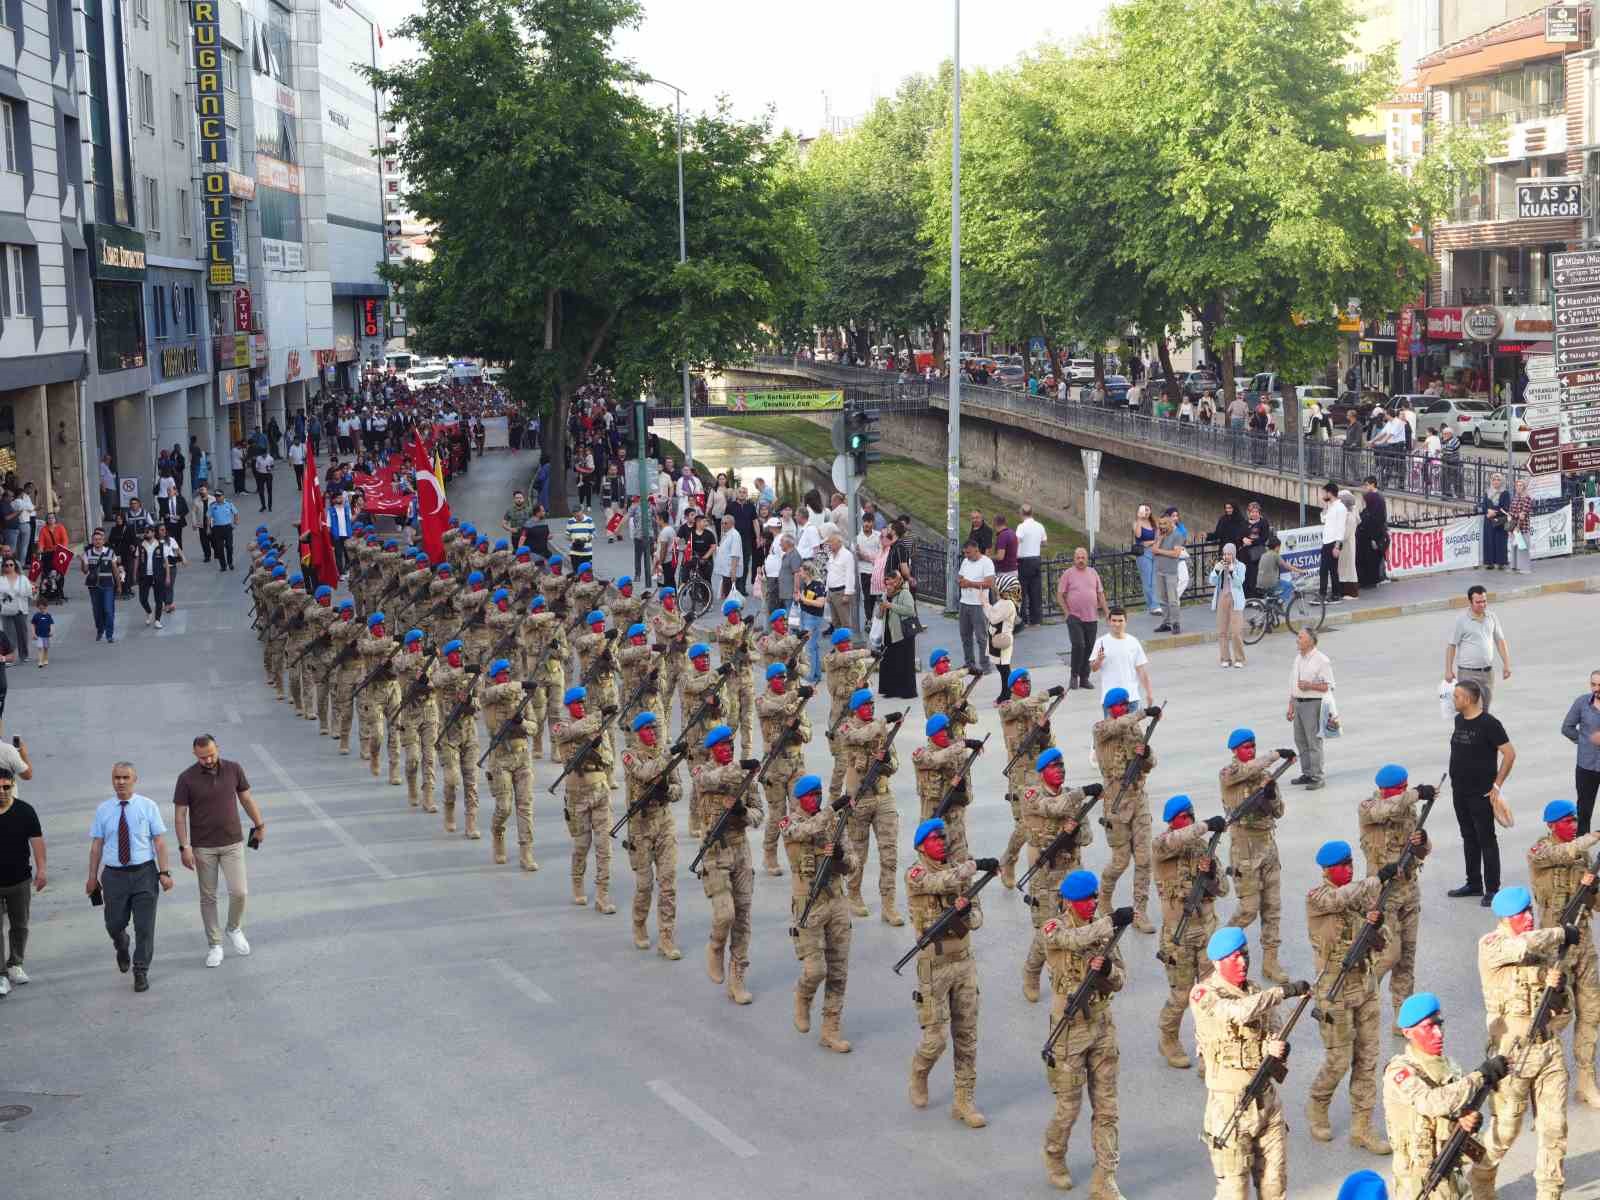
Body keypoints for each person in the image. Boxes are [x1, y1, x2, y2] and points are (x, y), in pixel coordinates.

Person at [1471, 886, 1571, 1198]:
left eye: (1530, 911)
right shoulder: (1491, 945)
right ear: (1504, 919)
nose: (1529, 918)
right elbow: (1524, 943)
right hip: (1512, 1055)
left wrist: (1558, 989)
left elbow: (1562, 1007)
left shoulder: (1541, 947)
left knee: (1554, 1129)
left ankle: (1549, 1191)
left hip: (1547, 1049)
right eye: (1521, 914)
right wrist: (1561, 932)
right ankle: (1481, 1181)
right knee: (1505, 1132)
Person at [1191, 927, 1302, 1200]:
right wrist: (1281, 992)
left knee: (1275, 1187)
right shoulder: (1203, 994)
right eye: (1234, 958)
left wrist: (1277, 1049)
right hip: (1231, 1107)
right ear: (1217, 963)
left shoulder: (1253, 990)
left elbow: (1272, 1031)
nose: (1242, 962)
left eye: (1245, 955)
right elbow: (1237, 1013)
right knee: (1234, 1193)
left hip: (1267, 1103)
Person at [1038, 870, 1130, 1194]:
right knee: (1069, 1107)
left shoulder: (1105, 931)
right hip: (1070, 1031)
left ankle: (1104, 1178)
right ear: (1068, 901)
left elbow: (1122, 979)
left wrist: (1107, 971)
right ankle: (1054, 1154)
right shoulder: (1054, 928)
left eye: (1093, 898)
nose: (1091, 904)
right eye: (1083, 900)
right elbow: (1074, 940)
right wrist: (1110, 922)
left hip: (1102, 1026)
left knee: (1107, 1107)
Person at [905, 819, 996, 1128]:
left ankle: (964, 1100)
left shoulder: (960, 873)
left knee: (967, 1035)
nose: (941, 842)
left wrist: (966, 913)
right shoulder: (916, 873)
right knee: (936, 1038)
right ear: (921, 846)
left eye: (943, 837)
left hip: (963, 963)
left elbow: (979, 917)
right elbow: (938, 883)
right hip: (935, 966)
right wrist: (972, 866)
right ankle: (920, 1071)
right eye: (934, 838)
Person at [1304, 839, 1390, 1152]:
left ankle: (1362, 1127)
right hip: (1334, 990)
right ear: (1327, 870)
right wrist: (1377, 879)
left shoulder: (1359, 898)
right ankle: (1317, 1105)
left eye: (1351, 863)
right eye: (1343, 865)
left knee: (1367, 1059)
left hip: (1364, 987)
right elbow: (1337, 900)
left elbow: (1384, 939)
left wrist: (1378, 928)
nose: (1349, 868)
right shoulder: (1317, 897)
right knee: (1339, 1060)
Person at [1382, 992, 1498, 1200]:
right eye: (1429, 1027)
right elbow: (1430, 1102)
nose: (1438, 1033)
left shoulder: (1449, 1067)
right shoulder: (1399, 1072)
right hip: (1420, 1180)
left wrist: (1469, 1121)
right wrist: (1479, 1077)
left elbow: (1458, 1110)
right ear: (1408, 1033)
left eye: (1439, 1025)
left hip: (1453, 1171)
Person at [1525, 798, 1600, 1108]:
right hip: (1556, 943)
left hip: (1584, 941)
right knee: (1557, 1013)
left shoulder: (1583, 854)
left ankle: (1586, 1079)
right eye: (1567, 822)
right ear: (1552, 825)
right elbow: (1560, 854)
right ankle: (1541, 1074)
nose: (1572, 825)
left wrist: (1594, 888)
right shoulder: (1539, 851)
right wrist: (1594, 836)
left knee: (1592, 1010)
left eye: (1575, 821)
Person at [173, 735, 264, 967]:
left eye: (212, 754)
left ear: (217, 749)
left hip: (232, 842)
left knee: (239, 891)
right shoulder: (186, 779)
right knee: (208, 897)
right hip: (203, 847)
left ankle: (234, 928)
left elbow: (246, 799)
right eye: (203, 757)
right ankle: (215, 945)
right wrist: (185, 847)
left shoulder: (234, 769)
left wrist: (259, 824)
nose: (208, 759)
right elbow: (180, 816)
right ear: (195, 755)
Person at [87, 761, 175, 993]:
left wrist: (164, 872)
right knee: (114, 923)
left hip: (144, 873)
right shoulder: (103, 810)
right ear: (112, 780)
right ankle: (121, 943)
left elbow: (159, 841)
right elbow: (97, 845)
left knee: (145, 927)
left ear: (134, 780)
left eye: (126, 777)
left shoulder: (147, 806)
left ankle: (140, 969)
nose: (121, 782)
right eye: (117, 777)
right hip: (114, 876)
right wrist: (92, 877)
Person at [783, 774, 856, 1053]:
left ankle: (830, 1029)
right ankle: (803, 995)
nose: (815, 800)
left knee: (838, 971)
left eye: (819, 795)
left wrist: (840, 858)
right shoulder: (791, 822)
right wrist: (832, 809)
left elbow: (853, 863)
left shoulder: (834, 822)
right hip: (809, 904)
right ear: (799, 800)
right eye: (810, 796)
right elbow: (805, 832)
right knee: (816, 970)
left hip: (836, 901)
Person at [1220, 729, 1295, 982]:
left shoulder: (1264, 776)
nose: (1250, 750)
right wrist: (1274, 755)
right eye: (1244, 747)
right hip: (1245, 851)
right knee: (1248, 910)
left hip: (1268, 848)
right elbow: (1246, 771)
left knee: (1272, 908)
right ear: (1234, 751)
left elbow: (1279, 812)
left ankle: (1270, 962)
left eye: (1252, 746)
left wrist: (1271, 796)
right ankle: (1220, 950)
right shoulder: (1228, 774)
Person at [1446, 679, 1514, 906]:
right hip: (1460, 791)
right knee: (1468, 836)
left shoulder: (1489, 723)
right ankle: (1474, 883)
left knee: (1486, 839)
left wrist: (1497, 785)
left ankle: (1492, 888)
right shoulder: (1459, 720)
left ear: (1468, 699)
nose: (1453, 700)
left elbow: (1509, 754)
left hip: (1481, 793)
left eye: (1456, 696)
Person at [0, 767, 43, 995]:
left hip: (20, 881)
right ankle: (0, 976)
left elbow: (36, 841)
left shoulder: (25, 811)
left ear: (12, 785)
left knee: (20, 925)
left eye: (6, 787)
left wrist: (42, 870)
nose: (2, 792)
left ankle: (15, 964)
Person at [1443, 585, 1510, 712]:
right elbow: (1451, 645)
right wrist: (1448, 670)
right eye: (1478, 602)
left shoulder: (1492, 617)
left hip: (1487, 674)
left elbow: (1500, 641)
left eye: (1484, 601)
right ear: (1470, 602)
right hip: (1468, 673)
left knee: (1484, 710)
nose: (1482, 605)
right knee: (1470, 710)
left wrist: (1506, 664)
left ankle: (1481, 732)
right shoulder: (1461, 620)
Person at [1285, 628, 1332, 790]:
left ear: (1310, 641)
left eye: (1300, 637)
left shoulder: (1322, 660)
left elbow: (1328, 686)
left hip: (1313, 704)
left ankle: (1317, 776)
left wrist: (1309, 685)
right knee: (1300, 740)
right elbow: (1293, 684)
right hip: (1298, 703)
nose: (1297, 640)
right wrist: (1291, 705)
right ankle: (1307, 773)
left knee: (1313, 742)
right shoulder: (1298, 658)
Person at [1057, 547, 1108, 690]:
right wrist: (1066, 612)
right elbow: (1060, 594)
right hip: (1074, 617)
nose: (1080, 560)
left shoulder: (1093, 573)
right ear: (1074, 559)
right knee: (1078, 645)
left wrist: (1107, 612)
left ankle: (1084, 678)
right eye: (1078, 557)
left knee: (1090, 648)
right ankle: (1074, 675)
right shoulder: (1068, 574)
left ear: (1087, 558)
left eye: (1083, 557)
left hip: (1091, 617)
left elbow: (1100, 594)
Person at [1560, 669, 1600, 834]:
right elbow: (1567, 728)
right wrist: (1585, 741)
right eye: (1593, 684)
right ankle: (1581, 854)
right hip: (1586, 767)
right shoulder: (1582, 703)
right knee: (1584, 812)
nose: (1596, 688)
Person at [1088, 608, 1153, 708]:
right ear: (1109, 622)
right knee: (1111, 724)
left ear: (1126, 622)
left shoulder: (1133, 641)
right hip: (1110, 699)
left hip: (1131, 698)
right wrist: (1099, 660)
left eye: (1120, 621)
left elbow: (1141, 670)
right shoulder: (1101, 642)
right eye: (1114, 620)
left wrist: (1149, 693)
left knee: (1132, 724)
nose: (1117, 624)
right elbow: (1093, 668)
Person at [877, 571, 919, 700]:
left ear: (897, 582)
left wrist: (890, 605)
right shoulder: (885, 595)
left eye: (890, 582)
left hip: (902, 633)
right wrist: (881, 609)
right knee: (889, 662)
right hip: (888, 633)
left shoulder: (904, 593)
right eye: (886, 583)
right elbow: (878, 615)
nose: (888, 585)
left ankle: (906, 691)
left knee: (904, 662)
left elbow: (910, 610)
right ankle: (890, 690)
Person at [955, 539, 994, 675]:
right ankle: (969, 663)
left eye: (969, 553)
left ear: (977, 550)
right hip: (964, 602)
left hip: (979, 604)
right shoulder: (966, 561)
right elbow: (959, 577)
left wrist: (970, 584)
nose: (966, 555)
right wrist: (960, 581)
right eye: (965, 553)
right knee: (965, 635)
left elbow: (989, 583)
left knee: (981, 636)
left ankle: (985, 665)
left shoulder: (986, 562)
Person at [1209, 543, 1247, 668]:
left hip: (1235, 600)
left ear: (1234, 554)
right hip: (1222, 598)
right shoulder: (1220, 565)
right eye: (1225, 554)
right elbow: (1212, 581)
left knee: (1236, 631)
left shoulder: (1241, 566)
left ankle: (1239, 659)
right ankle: (1225, 658)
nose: (1227, 556)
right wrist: (1216, 570)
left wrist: (1231, 571)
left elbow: (1239, 583)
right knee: (1222, 631)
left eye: (1229, 554)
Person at [82, 527, 121, 642]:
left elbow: (115, 570)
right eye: (95, 539)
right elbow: (85, 571)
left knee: (108, 610)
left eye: (100, 539)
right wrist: (83, 562)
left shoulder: (110, 552)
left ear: (103, 541)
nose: (97, 541)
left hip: (108, 585)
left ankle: (109, 634)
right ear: (92, 541)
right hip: (94, 587)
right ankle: (100, 629)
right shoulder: (88, 553)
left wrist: (119, 585)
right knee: (97, 610)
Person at [1150, 509, 1185, 633]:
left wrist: (1159, 551)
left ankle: (1175, 623)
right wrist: (1159, 539)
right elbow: (1153, 551)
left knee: (1173, 600)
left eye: (1164, 524)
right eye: (1160, 524)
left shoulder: (1177, 535)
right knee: (1162, 600)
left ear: (1170, 523)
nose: (1162, 526)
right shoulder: (1159, 535)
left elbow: (1175, 554)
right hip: (1160, 571)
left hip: (1171, 572)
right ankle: (1166, 623)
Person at [1015, 503, 1047, 626]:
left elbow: (1016, 541)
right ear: (1032, 513)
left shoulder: (1021, 527)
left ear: (1022, 513)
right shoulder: (1040, 526)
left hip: (1024, 561)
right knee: (1035, 590)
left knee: (1022, 591)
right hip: (1036, 560)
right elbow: (1044, 543)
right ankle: (1036, 620)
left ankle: (1023, 620)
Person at [1356, 477, 1387, 590]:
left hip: (1373, 537)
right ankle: (1371, 580)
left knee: (1370, 560)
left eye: (1367, 485)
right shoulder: (1372, 506)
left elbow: (1376, 521)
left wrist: (1373, 537)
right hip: (1371, 537)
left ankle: (1371, 580)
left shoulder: (1376, 503)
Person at [1318, 482, 1347, 604]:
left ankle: (1323, 594)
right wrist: (1325, 506)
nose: (1323, 495)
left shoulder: (1340, 508)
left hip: (1333, 542)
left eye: (1325, 493)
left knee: (1325, 570)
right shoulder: (1331, 506)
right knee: (1331, 570)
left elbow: (1341, 528)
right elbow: (1323, 519)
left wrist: (1337, 546)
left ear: (1330, 493)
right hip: (1327, 541)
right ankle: (1335, 594)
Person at [0, 557, 33, 663]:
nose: (9, 567)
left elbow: (29, 592)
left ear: (15, 566)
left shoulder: (22, 578)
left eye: (11, 565)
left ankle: (24, 655)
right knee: (9, 634)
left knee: (22, 633)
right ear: (3, 567)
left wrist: (19, 593)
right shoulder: (1, 579)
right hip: (5, 610)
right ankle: (10, 657)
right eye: (6, 565)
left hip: (20, 608)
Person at [823, 529, 854, 630]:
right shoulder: (831, 555)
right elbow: (830, 574)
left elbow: (850, 575)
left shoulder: (847, 555)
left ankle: (847, 645)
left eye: (831, 543)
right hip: (832, 592)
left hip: (841, 592)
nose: (829, 545)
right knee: (835, 622)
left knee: (844, 622)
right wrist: (827, 591)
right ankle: (838, 645)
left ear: (839, 543)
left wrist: (847, 594)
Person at [1479, 472, 1510, 570]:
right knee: (1489, 541)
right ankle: (1490, 563)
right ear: (1491, 481)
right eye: (1494, 480)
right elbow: (1483, 505)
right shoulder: (1487, 492)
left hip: (1500, 520)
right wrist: (1488, 510)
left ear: (1502, 482)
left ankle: (1501, 563)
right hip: (1489, 521)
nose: (1496, 482)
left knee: (1500, 541)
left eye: (1498, 480)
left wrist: (1495, 513)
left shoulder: (1505, 493)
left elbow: (1506, 507)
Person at [1131, 503, 1158, 614]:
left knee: (1155, 580)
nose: (1146, 512)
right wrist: (1139, 519)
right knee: (1147, 581)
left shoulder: (1153, 523)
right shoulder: (1137, 523)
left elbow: (1158, 538)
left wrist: (1150, 542)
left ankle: (1155, 604)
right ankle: (1153, 605)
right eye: (1143, 510)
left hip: (1154, 552)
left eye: (1147, 510)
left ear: (1150, 511)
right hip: (1143, 554)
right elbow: (1138, 536)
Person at [1505, 476, 1534, 575]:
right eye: (1517, 485)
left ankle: (1525, 568)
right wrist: (1510, 526)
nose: (1518, 487)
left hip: (1522, 527)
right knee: (1514, 547)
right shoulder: (1515, 498)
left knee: (1523, 547)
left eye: (1521, 485)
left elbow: (1523, 515)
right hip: (1513, 526)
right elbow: (1510, 512)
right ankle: (1514, 567)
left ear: (1524, 487)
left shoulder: (1527, 498)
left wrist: (1514, 516)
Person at [208, 490, 237, 571]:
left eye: (219, 496)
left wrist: (235, 521)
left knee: (229, 547)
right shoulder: (212, 506)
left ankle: (230, 563)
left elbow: (235, 512)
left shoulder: (229, 504)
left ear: (223, 496)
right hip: (217, 529)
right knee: (219, 548)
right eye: (216, 496)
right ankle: (223, 566)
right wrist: (208, 528)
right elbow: (208, 517)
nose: (217, 498)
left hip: (227, 528)